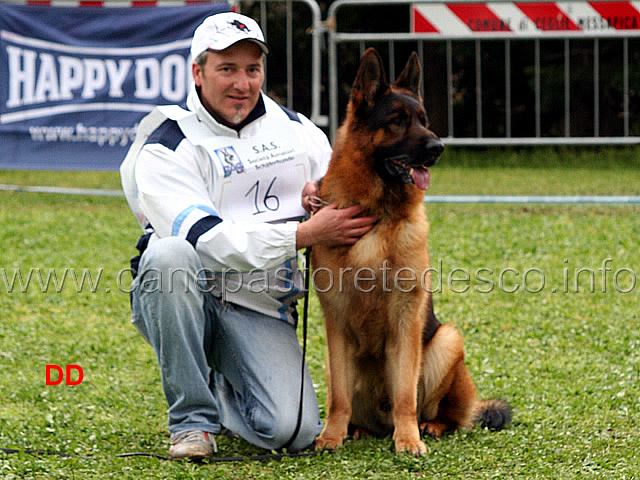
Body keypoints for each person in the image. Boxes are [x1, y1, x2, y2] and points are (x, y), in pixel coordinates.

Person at [120, 12, 377, 460]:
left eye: (252, 69)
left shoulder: (299, 132)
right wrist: (303, 233)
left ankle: (223, 386)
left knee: (292, 430)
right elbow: (206, 242)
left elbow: (349, 203)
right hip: (186, 293)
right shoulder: (165, 142)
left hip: (261, 304)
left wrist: (325, 198)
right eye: (227, 69)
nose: (242, 83)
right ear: (198, 73)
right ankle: (192, 423)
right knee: (168, 257)